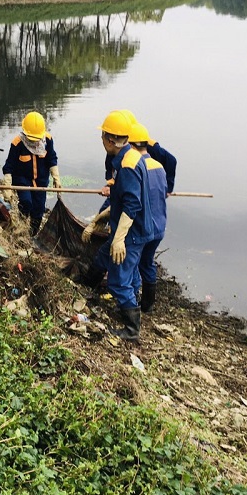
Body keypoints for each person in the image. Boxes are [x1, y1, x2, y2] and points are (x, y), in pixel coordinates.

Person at [82, 110, 155, 341]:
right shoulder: (129, 157)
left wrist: (120, 238)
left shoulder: (128, 165)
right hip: (135, 229)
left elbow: (132, 205)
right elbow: (119, 200)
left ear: (112, 140)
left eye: (103, 135)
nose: (101, 139)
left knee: (118, 280)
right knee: (105, 259)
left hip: (132, 233)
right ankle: (87, 291)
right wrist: (97, 221)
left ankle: (132, 329)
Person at [128, 123, 168, 314]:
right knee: (148, 262)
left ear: (131, 145)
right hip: (159, 227)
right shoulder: (159, 166)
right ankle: (148, 306)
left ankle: (132, 303)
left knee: (133, 263)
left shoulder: (135, 166)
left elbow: (131, 200)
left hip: (143, 228)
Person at [2, 111, 61, 235]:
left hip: (41, 182)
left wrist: (56, 178)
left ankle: (32, 234)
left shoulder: (48, 140)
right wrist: (7, 187)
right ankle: (22, 223)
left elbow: (52, 159)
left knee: (39, 210)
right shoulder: (17, 143)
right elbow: (9, 166)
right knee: (26, 203)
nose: (34, 142)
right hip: (23, 180)